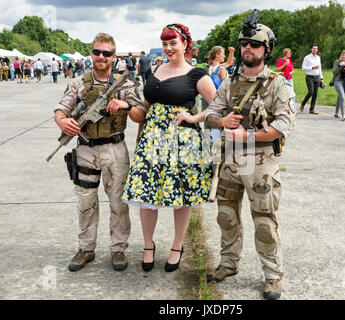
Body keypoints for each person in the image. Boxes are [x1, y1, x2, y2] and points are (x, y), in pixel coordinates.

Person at [204, 10, 296, 300]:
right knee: (225, 216)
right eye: (244, 43)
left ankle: (272, 275)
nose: (247, 48)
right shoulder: (230, 82)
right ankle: (229, 264)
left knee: (264, 221)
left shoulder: (278, 84)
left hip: (261, 162)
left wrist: (249, 135)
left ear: (266, 50)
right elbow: (211, 113)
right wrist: (221, 122)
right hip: (230, 160)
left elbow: (284, 125)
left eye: (254, 44)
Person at [120, 23, 216, 273]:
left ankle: (177, 246)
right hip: (151, 142)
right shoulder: (156, 69)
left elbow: (218, 106)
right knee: (145, 194)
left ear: (185, 44)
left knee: (181, 197)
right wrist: (127, 107)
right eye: (164, 43)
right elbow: (145, 106)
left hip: (182, 143)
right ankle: (148, 246)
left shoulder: (197, 74)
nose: (168, 48)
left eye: (173, 42)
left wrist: (194, 117)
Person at [54, 32, 145, 272]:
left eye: (106, 53)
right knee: (85, 201)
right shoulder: (79, 83)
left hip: (115, 148)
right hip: (85, 148)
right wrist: (63, 123)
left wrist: (125, 105)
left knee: (118, 202)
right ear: (91, 53)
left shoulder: (123, 83)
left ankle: (118, 250)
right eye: (97, 52)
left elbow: (141, 115)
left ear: (114, 56)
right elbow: (60, 110)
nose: (101, 57)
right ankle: (86, 248)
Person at [300, 44, 324, 114]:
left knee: (315, 94)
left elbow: (320, 68)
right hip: (309, 77)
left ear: (317, 50)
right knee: (311, 92)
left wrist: (321, 78)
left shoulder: (318, 57)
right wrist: (312, 67)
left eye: (316, 48)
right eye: (313, 48)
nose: (315, 50)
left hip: (317, 77)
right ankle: (303, 104)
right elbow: (303, 67)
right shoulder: (307, 57)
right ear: (311, 49)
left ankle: (312, 109)